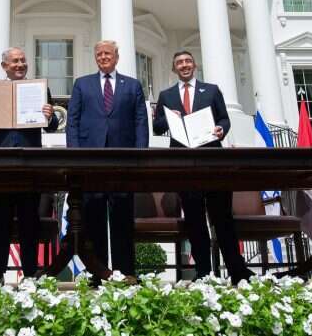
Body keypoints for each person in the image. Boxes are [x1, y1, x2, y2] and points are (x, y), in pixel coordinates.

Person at [152, 50, 254, 283]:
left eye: (188, 61)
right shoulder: (167, 95)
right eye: (179, 62)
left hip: (212, 162)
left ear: (194, 65)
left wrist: (221, 129)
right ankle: (204, 273)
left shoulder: (211, 90)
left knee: (222, 218)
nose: (184, 65)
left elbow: (224, 119)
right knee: (195, 220)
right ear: (174, 68)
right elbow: (157, 127)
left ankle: (237, 271)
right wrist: (168, 118)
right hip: (184, 165)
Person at [0, 47, 60, 282]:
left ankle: (30, 275)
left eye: (23, 60)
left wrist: (50, 115)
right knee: (0, 222)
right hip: (1, 167)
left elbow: (51, 126)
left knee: (30, 222)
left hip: (29, 166)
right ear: (5, 66)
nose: (20, 64)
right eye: (15, 61)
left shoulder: (39, 89)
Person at [66, 40, 149, 279]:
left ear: (116, 57)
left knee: (122, 217)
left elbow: (140, 122)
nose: (103, 57)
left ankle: (126, 274)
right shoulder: (82, 84)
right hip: (90, 162)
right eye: (99, 54)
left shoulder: (132, 85)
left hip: (123, 161)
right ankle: (98, 273)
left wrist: (140, 155)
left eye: (108, 53)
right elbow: (72, 121)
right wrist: (75, 155)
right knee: (93, 219)